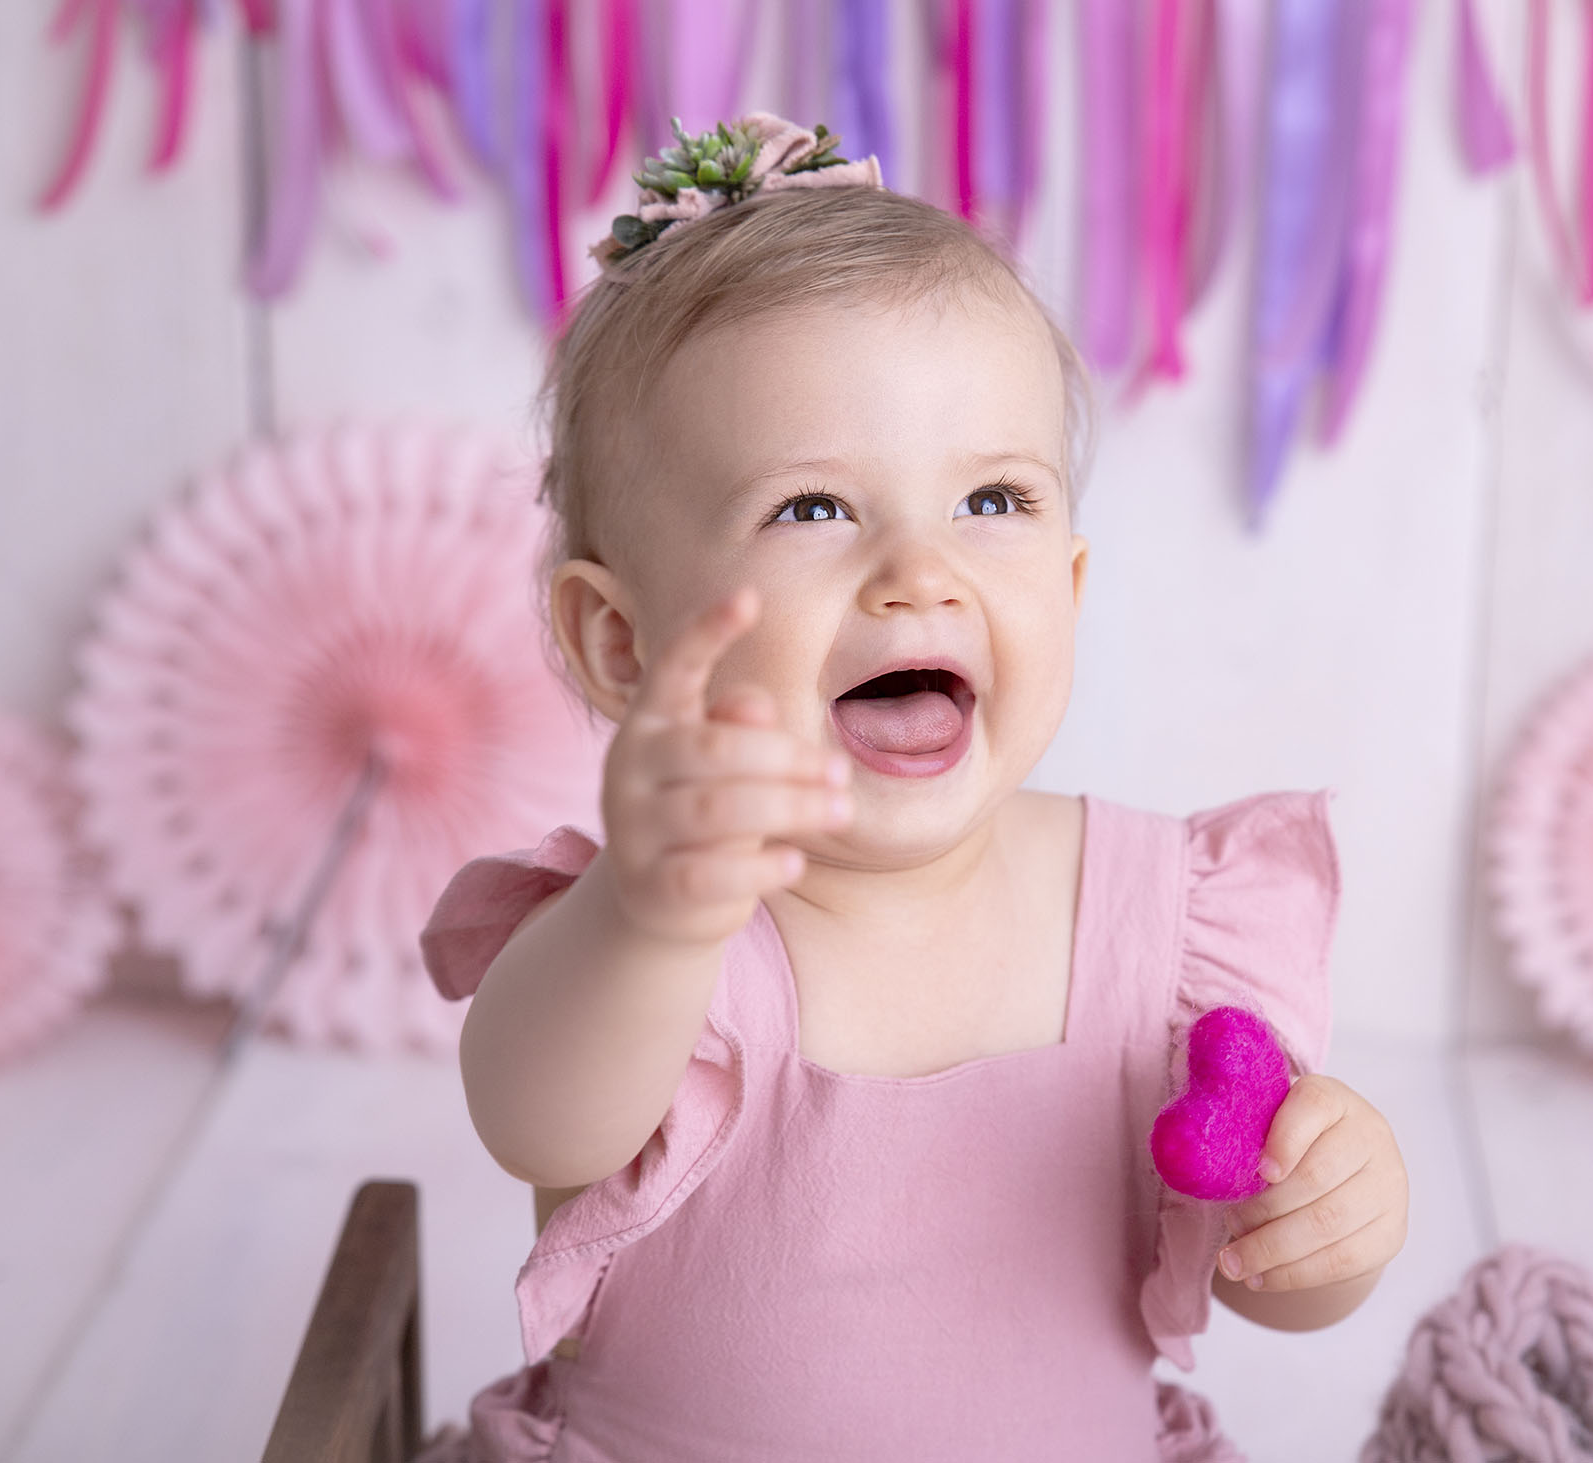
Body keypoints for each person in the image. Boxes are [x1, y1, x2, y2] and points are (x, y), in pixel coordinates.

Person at [417, 112, 1408, 1462]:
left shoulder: (1170, 922)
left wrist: (1334, 1219)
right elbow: (533, 1118)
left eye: (992, 502)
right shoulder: (654, 938)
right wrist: (646, 918)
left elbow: (1265, 1279)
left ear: (1068, 586)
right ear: (623, 641)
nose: (919, 574)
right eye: (812, 508)